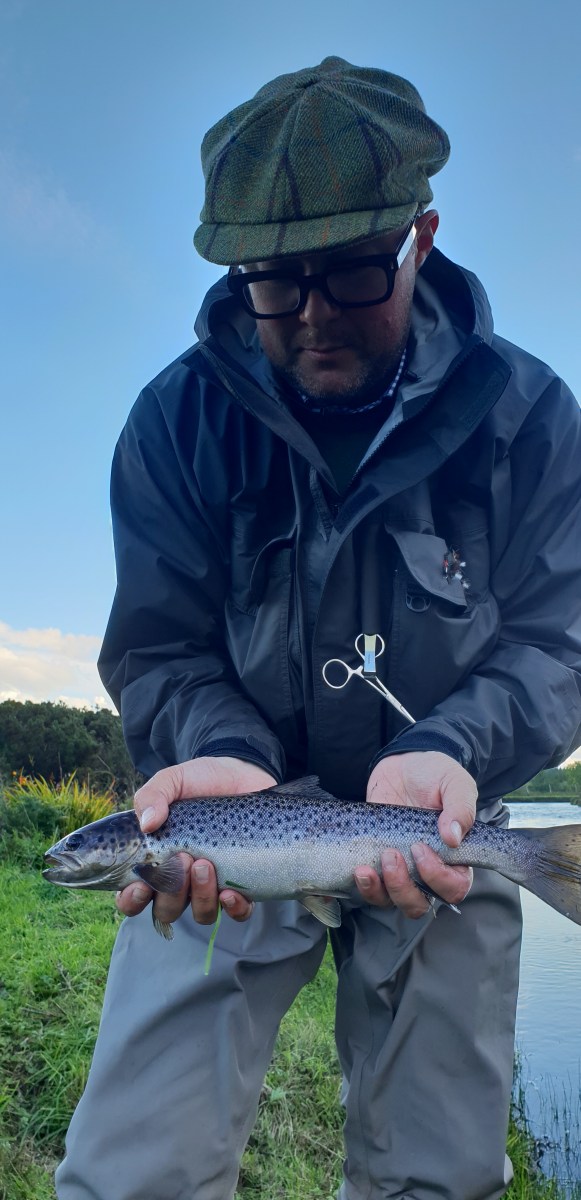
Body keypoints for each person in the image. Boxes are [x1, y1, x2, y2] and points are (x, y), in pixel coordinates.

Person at [56, 57, 581, 1200]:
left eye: (350, 276)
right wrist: (226, 761)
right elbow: (158, 646)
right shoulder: (173, 426)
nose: (312, 319)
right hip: (229, 834)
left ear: (419, 238)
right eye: (274, 285)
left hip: (443, 825)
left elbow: (561, 633)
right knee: (126, 1178)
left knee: (436, 1184)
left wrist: (455, 748)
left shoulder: (530, 419)